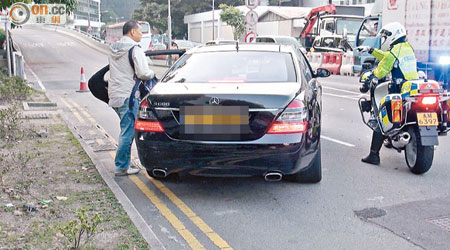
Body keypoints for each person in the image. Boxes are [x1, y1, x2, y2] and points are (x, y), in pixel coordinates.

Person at [357, 22, 419, 165]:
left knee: (381, 116)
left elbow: (381, 71)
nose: (384, 40)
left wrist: (370, 75)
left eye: (385, 37)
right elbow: (387, 56)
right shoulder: (406, 48)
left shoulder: (395, 51)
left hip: (399, 88)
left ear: (392, 36)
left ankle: (374, 155)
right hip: (412, 89)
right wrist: (370, 50)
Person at [108, 20, 155, 176]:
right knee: (127, 133)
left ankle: (124, 164)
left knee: (125, 130)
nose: (142, 34)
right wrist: (152, 74)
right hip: (128, 96)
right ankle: (121, 167)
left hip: (115, 95)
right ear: (132, 32)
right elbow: (143, 73)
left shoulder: (113, 48)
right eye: (140, 31)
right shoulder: (135, 49)